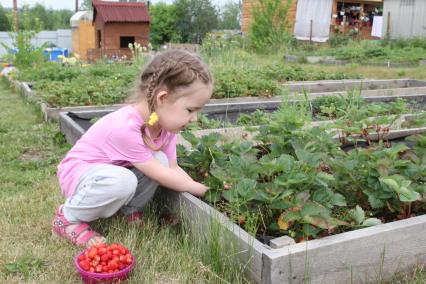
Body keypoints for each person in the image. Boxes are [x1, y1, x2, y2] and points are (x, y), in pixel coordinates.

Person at [52, 50, 213, 247]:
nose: (195, 118)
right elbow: (162, 176)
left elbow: (171, 168)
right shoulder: (126, 128)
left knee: (159, 159)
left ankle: (129, 211)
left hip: (109, 175)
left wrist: (196, 188)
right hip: (81, 175)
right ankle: (68, 218)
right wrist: (200, 189)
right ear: (162, 98)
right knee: (126, 179)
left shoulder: (165, 127)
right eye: (191, 110)